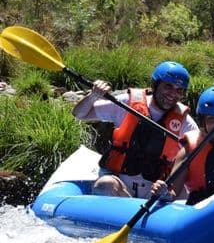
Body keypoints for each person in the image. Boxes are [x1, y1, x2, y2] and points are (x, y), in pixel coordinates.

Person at [72, 61, 198, 198]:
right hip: (120, 185)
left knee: (184, 194)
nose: (173, 94)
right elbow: (80, 114)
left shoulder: (184, 121)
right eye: (168, 87)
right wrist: (93, 96)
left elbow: (197, 154)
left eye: (179, 90)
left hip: (155, 193)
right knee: (105, 185)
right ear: (155, 85)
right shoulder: (126, 103)